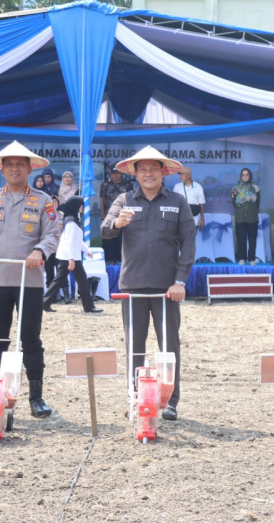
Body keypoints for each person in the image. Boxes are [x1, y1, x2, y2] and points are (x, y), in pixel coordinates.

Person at [0, 141, 60, 418]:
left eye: (20, 164)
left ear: (30, 169)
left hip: (29, 279)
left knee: (30, 337)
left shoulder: (43, 200)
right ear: (2, 170)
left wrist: (39, 251)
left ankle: (36, 398)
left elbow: (53, 234)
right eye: (10, 164)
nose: (15, 168)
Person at [101, 146, 196, 421]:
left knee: (169, 346)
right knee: (135, 345)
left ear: (163, 172)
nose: (148, 173)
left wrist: (180, 280)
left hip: (168, 287)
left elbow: (189, 241)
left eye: (154, 168)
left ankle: (169, 401)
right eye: (142, 169)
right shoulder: (124, 199)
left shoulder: (178, 202)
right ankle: (136, 397)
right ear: (135, 173)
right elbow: (105, 230)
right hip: (133, 285)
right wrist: (117, 223)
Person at [43, 197, 103, 314]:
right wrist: (71, 259)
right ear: (75, 206)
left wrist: (87, 251)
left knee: (60, 281)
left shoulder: (73, 219)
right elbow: (70, 241)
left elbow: (77, 240)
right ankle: (89, 306)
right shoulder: (71, 222)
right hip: (70, 257)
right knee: (82, 281)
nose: (82, 207)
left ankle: (45, 302)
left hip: (69, 256)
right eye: (80, 205)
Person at [99, 165, 133, 264]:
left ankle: (122, 260)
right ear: (110, 173)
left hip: (124, 215)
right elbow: (102, 200)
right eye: (113, 173)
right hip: (109, 215)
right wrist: (102, 214)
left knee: (122, 239)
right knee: (109, 238)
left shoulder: (127, 185)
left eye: (117, 173)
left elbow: (131, 200)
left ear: (121, 173)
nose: (115, 176)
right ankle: (111, 260)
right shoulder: (106, 185)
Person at [231, 168, 260, 265]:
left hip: (252, 217)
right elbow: (234, 202)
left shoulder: (255, 187)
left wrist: (250, 201)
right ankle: (242, 258)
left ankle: (251, 259)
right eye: (243, 175)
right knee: (241, 239)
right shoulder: (235, 188)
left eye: (247, 174)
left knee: (252, 239)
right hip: (240, 217)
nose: (245, 176)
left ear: (250, 176)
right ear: (240, 176)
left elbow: (258, 203)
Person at [173, 166, 206, 231]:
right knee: (179, 240)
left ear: (188, 175)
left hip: (194, 220)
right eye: (180, 174)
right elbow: (174, 203)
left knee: (192, 239)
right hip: (180, 220)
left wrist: (202, 218)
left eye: (182, 174)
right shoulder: (177, 187)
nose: (180, 176)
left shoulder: (198, 187)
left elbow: (201, 204)